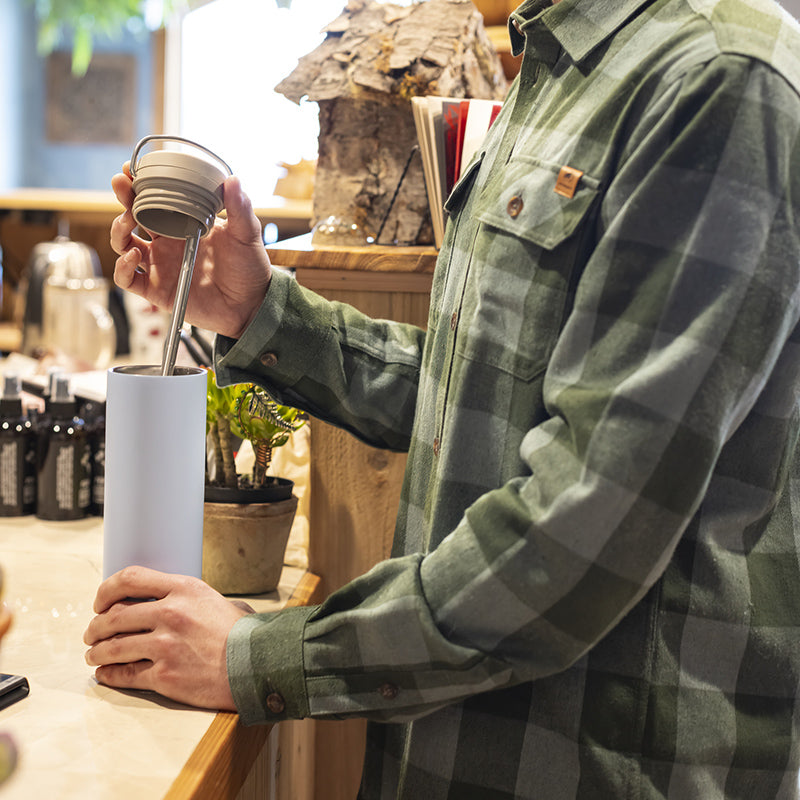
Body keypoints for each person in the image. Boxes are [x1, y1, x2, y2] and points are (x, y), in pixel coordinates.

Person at [84, 0, 800, 796]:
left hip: (591, 766)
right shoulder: (564, 61)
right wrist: (256, 311)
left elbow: (582, 527)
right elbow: (482, 397)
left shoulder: (720, 76)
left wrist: (258, 656)